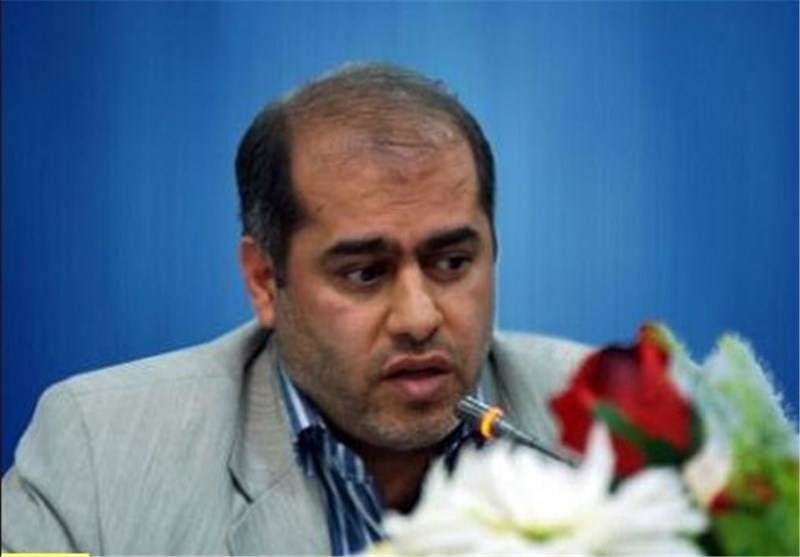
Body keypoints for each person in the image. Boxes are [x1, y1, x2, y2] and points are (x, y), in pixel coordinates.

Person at [1, 62, 589, 555]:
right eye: (364, 273)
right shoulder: (99, 455)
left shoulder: (621, 421)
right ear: (264, 281)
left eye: (453, 262)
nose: (418, 318)